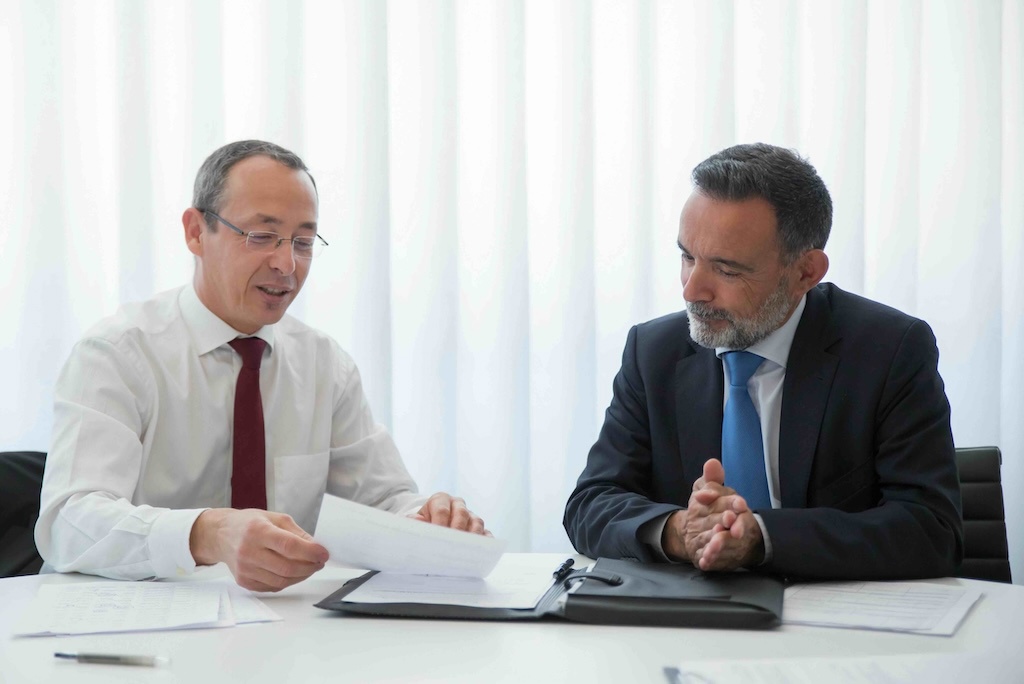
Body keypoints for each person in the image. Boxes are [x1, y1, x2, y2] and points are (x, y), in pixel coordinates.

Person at [36, 140, 487, 592]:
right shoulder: (117, 354)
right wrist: (207, 534)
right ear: (196, 232)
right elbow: (68, 522)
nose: (287, 264)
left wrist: (430, 519)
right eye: (261, 236)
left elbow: (384, 499)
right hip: (135, 620)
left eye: (303, 243)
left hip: (284, 624)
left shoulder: (325, 365)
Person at [563, 143, 963, 580]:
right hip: (691, 614)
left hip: (831, 615)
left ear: (805, 272)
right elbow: (590, 503)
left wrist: (762, 538)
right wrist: (679, 531)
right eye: (687, 257)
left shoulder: (889, 350)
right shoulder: (653, 351)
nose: (691, 290)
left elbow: (931, 530)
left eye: (727, 269)